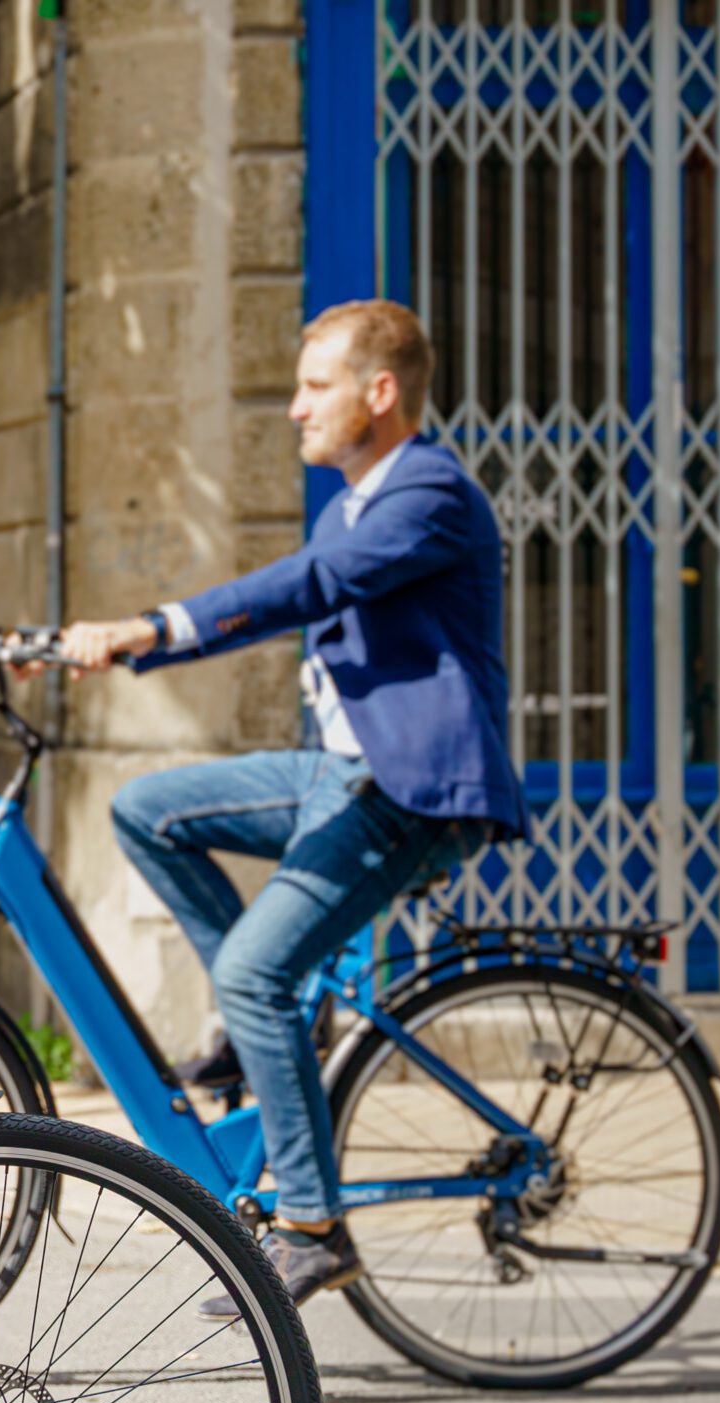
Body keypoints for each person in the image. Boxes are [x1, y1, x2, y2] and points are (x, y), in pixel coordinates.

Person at [46, 299, 525, 1319]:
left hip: (413, 791)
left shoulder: (428, 491)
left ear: (379, 393)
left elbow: (312, 586)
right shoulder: (350, 502)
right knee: (148, 810)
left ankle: (310, 1227)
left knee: (261, 968)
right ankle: (267, 1024)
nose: (294, 409)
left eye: (316, 387)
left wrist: (151, 628)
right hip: (339, 776)